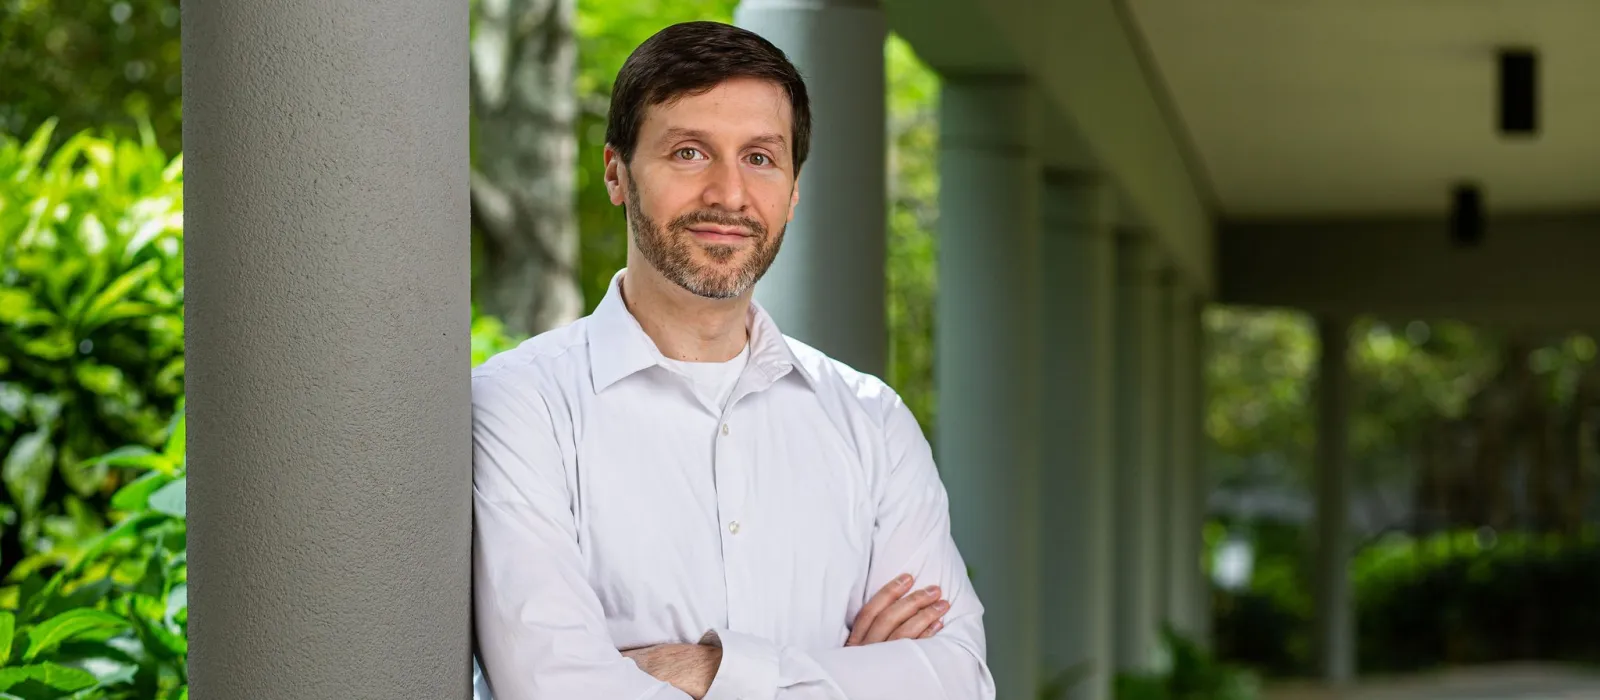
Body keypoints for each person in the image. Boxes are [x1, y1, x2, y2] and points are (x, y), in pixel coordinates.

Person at [471, 20, 995, 700]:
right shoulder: (520, 406)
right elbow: (555, 688)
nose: (728, 194)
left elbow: (958, 681)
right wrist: (853, 676)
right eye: (689, 153)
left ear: (794, 188)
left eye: (760, 158)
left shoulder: (871, 423)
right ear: (616, 173)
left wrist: (707, 670)